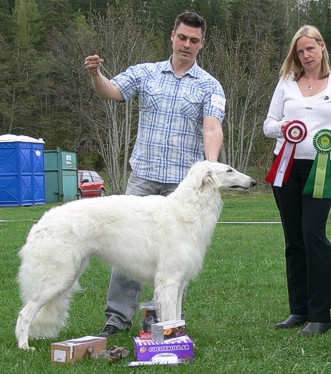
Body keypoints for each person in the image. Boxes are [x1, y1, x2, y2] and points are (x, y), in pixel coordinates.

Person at [84, 11, 226, 338]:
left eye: (194, 40)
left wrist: (211, 166)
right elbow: (112, 91)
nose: (187, 44)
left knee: (178, 259)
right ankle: (117, 320)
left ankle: (168, 325)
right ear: (172, 37)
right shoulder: (146, 73)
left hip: (182, 189)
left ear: (202, 44)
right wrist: (96, 75)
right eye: (182, 37)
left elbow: (212, 126)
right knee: (126, 252)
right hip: (143, 179)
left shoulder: (210, 85)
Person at [264, 25, 331, 336]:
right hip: (286, 169)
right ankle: (298, 310)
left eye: (310, 49)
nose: (305, 55)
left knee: (313, 235)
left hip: (322, 171)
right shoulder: (286, 83)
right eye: (300, 51)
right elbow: (268, 125)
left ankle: (321, 314)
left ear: (322, 47)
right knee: (294, 240)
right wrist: (284, 128)